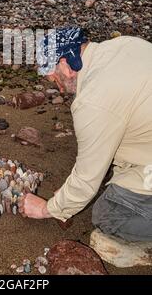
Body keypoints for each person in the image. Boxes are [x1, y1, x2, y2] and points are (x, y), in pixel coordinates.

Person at [18, 27, 152, 245]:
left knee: (108, 213)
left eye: (53, 77)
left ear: (65, 65)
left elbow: (87, 181)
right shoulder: (124, 44)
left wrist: (47, 208)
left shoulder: (93, 102)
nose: (57, 86)